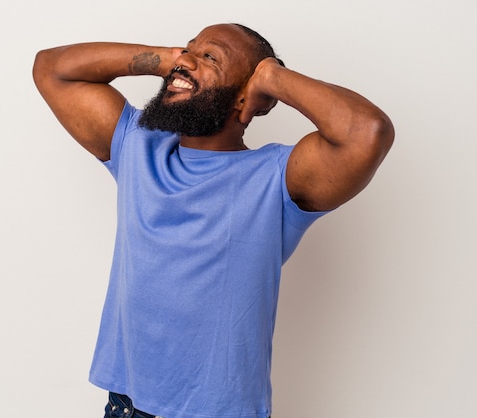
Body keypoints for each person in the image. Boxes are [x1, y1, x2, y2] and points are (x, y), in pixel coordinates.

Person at [33, 23, 394, 418]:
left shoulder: (277, 178)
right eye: (189, 49)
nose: (186, 60)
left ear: (250, 97)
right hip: (126, 406)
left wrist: (271, 76)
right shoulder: (137, 145)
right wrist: (173, 59)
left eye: (211, 57)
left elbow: (367, 131)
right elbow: (51, 68)